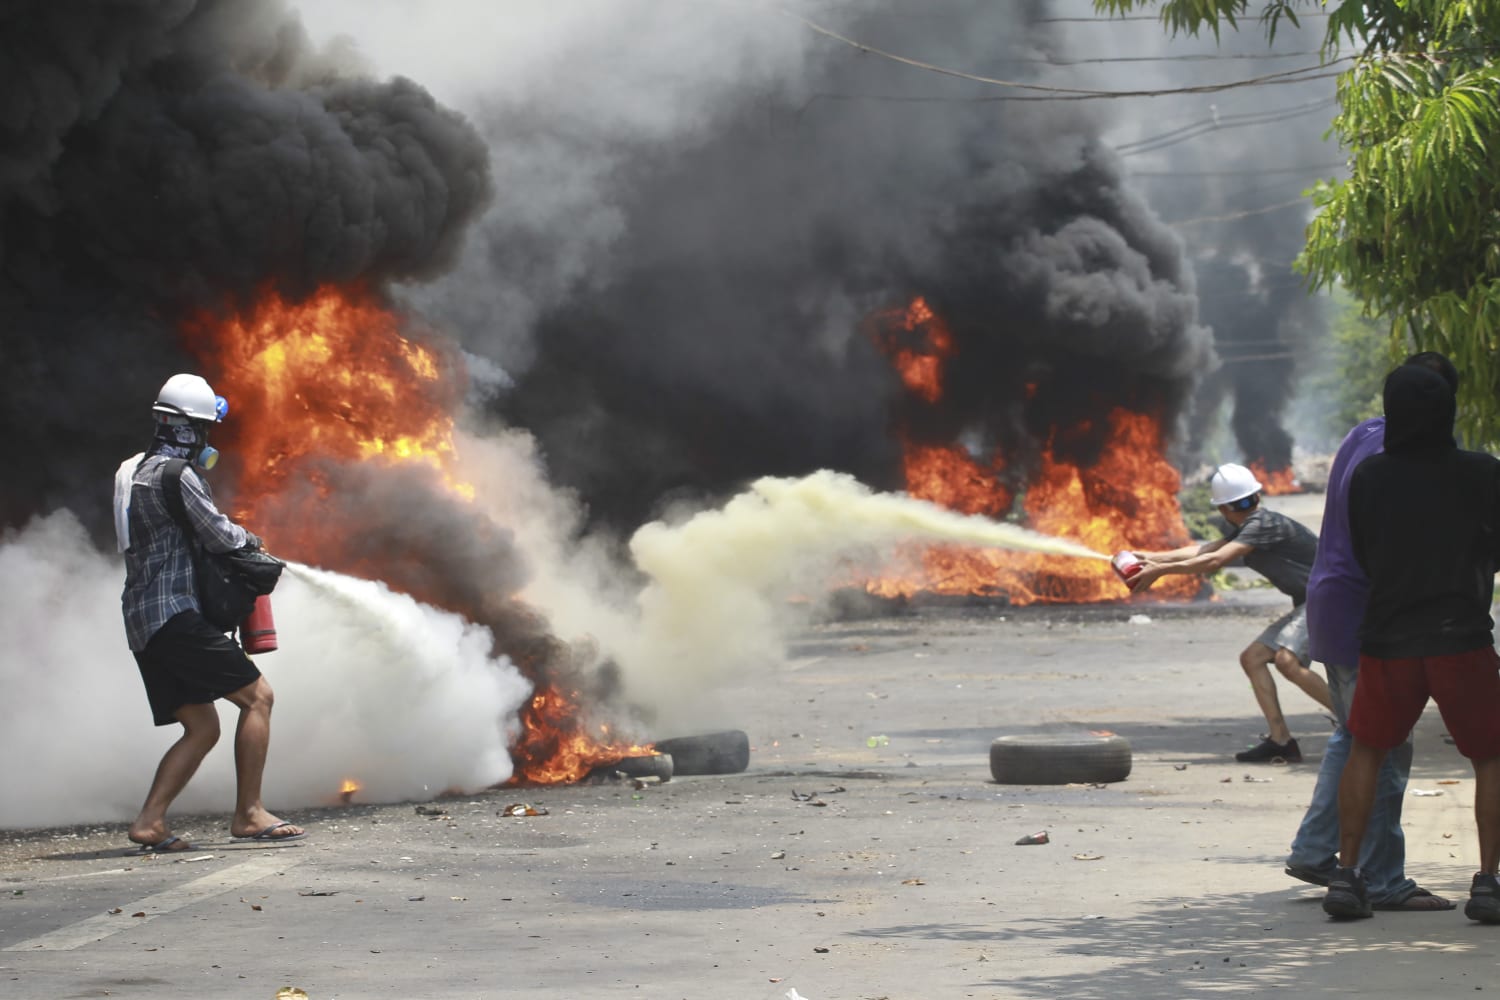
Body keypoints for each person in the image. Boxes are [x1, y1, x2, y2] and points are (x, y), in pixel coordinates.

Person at [1323, 364, 1500, 921]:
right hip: (1461, 637)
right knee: (1491, 757)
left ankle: (1348, 878)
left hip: (1388, 637)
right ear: (1449, 411)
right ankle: (1489, 883)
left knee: (1367, 751)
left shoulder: (1371, 476)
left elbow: (1367, 551)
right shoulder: (1483, 473)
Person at [1285, 352, 1461, 912]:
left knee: (1355, 734)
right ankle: (1384, 878)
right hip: (1369, 608)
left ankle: (1316, 849)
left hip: (1332, 599)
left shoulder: (1364, 432)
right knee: (1385, 745)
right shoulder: (1398, 452)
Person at [114, 373, 304, 851]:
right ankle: (250, 813)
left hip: (141, 622)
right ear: (188, 429)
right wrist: (255, 543)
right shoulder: (178, 476)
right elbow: (219, 535)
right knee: (258, 697)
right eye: (203, 430)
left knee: (202, 726)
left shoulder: (129, 471)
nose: (206, 441)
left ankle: (150, 822)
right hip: (174, 615)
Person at [1127, 462, 1332, 762]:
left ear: (1224, 509)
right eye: (1243, 503)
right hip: (1308, 600)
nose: (1246, 508)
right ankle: (1281, 741)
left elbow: (1215, 561)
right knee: (1253, 659)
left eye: (1246, 503)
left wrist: (1162, 571)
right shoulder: (1249, 525)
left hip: (1324, 597)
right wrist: (1153, 557)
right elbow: (1205, 550)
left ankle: (1355, 726)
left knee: (1287, 661)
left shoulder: (1262, 524)